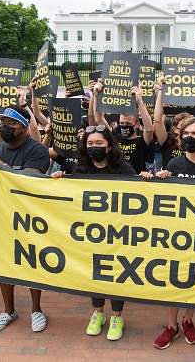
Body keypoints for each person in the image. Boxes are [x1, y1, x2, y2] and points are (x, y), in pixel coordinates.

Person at [141, 116, 195, 349]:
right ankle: (172, 326)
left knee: (194, 278)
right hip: (176, 235)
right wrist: (157, 180)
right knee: (172, 278)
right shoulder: (174, 165)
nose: (190, 137)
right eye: (186, 134)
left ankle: (188, 320)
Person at [52, 124, 136, 341]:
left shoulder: (124, 169)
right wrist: (61, 180)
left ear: (109, 146)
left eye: (99, 143)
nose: (94, 147)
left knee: (117, 274)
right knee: (96, 273)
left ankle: (117, 317)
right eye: (90, 144)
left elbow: (140, 195)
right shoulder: (80, 170)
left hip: (118, 234)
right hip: (91, 235)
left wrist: (145, 179)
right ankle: (98, 313)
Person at [0, 106, 50, 333]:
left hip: (28, 218)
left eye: (11, 124)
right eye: (3, 123)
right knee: (4, 263)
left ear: (25, 129)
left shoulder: (36, 150)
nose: (5, 128)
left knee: (30, 262)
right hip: (0, 218)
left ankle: (36, 309)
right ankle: (9, 310)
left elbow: (28, 183)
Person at [92, 82, 153, 173]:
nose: (124, 126)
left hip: (136, 181)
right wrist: (97, 96)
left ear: (137, 124)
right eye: (121, 123)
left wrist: (139, 102)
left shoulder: (141, 142)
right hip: (118, 181)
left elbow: (149, 130)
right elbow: (99, 119)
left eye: (128, 124)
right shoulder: (116, 138)